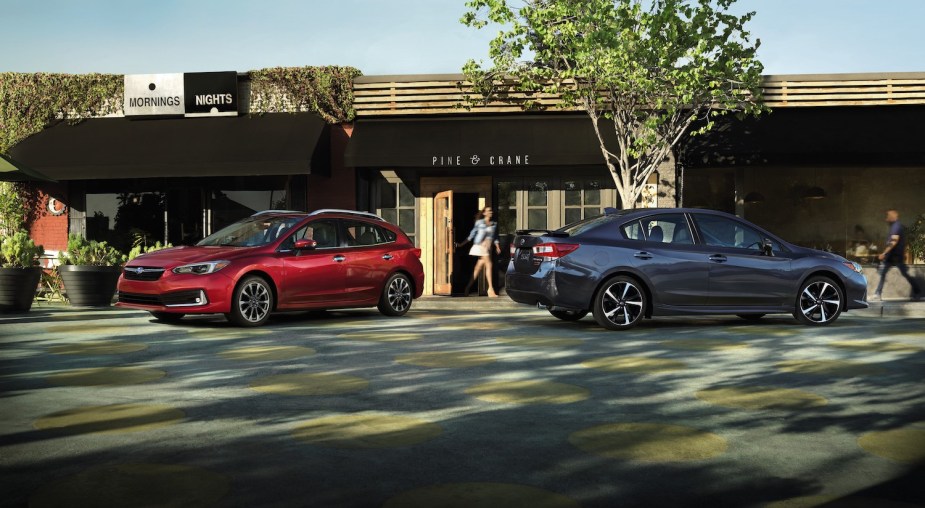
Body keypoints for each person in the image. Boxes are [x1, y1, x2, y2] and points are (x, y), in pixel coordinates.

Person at [873, 209, 922, 301]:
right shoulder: (894, 226)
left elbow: (894, 241)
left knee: (904, 274)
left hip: (895, 257)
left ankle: (918, 291)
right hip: (891, 257)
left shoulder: (896, 226)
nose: (887, 218)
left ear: (894, 216)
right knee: (883, 273)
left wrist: (884, 253)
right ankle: (878, 293)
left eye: (888, 216)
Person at [460, 206, 501, 297]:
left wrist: (497, 246)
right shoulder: (479, 223)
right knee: (489, 265)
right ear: (484, 213)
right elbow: (472, 234)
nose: (491, 212)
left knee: (477, 269)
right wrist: (461, 244)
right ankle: (490, 290)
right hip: (479, 246)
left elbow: (495, 237)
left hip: (487, 248)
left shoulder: (494, 224)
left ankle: (467, 288)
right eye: (489, 211)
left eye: (491, 211)